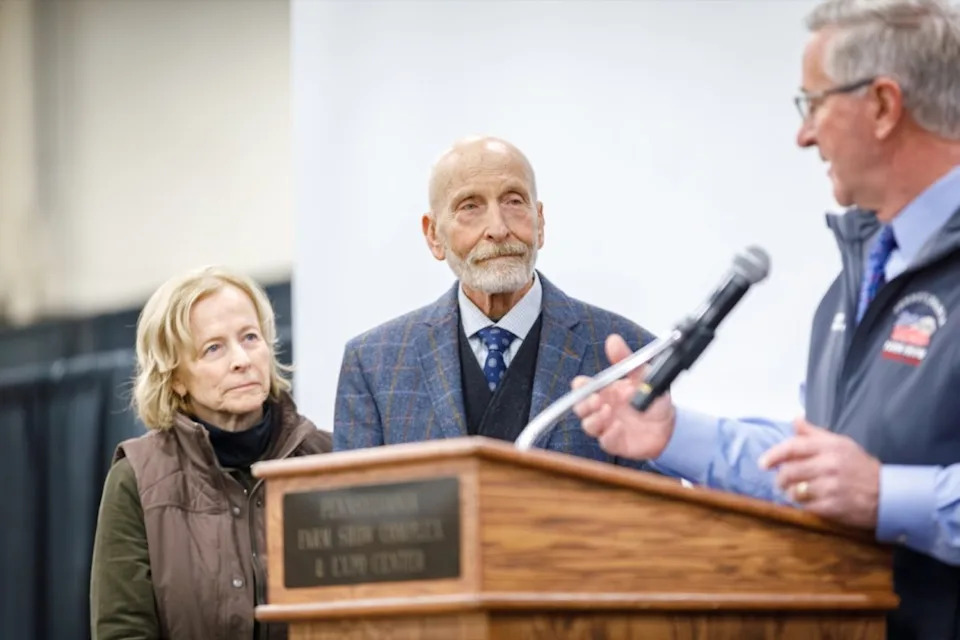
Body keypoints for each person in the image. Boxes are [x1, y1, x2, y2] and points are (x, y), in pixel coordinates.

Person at [573, 0, 960, 638]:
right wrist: (673, 437)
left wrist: (887, 496)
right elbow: (817, 473)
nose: (803, 136)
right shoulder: (851, 285)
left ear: (884, 106)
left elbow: (862, 487)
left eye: (813, 104)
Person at [334, 135, 654, 467]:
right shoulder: (373, 364)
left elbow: (656, 512)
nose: (498, 229)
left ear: (540, 221)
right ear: (433, 235)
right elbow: (355, 510)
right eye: (469, 206)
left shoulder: (629, 355)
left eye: (514, 201)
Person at [90, 266, 332, 640]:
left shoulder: (329, 458)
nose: (242, 359)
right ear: (175, 378)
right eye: (214, 348)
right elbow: (124, 630)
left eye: (250, 337)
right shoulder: (136, 479)